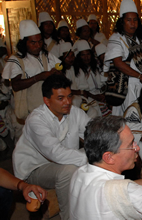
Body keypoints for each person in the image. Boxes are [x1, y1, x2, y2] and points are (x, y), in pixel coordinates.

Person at [12, 74, 90, 220]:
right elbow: (56, 154)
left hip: (61, 162)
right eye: (60, 98)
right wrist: (94, 159)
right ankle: (69, 217)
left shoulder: (75, 112)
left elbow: (93, 135)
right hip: (36, 169)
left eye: (69, 96)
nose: (67, 102)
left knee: (101, 151)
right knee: (69, 170)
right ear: (47, 101)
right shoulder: (36, 120)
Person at [104, 0, 142, 116]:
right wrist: (139, 76)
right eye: (129, 20)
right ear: (122, 22)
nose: (133, 23)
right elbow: (118, 63)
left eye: (135, 20)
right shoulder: (116, 38)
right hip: (126, 87)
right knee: (127, 120)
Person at [2, 19, 61, 121]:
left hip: (49, 108)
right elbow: (16, 85)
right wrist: (39, 77)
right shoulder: (17, 59)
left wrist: (57, 74)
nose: (38, 46)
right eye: (33, 43)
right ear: (24, 43)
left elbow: (59, 71)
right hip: (30, 111)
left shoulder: (46, 56)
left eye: (40, 42)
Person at [72, 40, 109, 117]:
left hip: (99, 95)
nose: (86, 57)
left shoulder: (95, 67)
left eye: (88, 54)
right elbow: (82, 90)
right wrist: (95, 96)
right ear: (79, 56)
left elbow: (101, 84)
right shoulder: (77, 70)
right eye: (83, 55)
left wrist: (103, 92)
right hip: (87, 98)